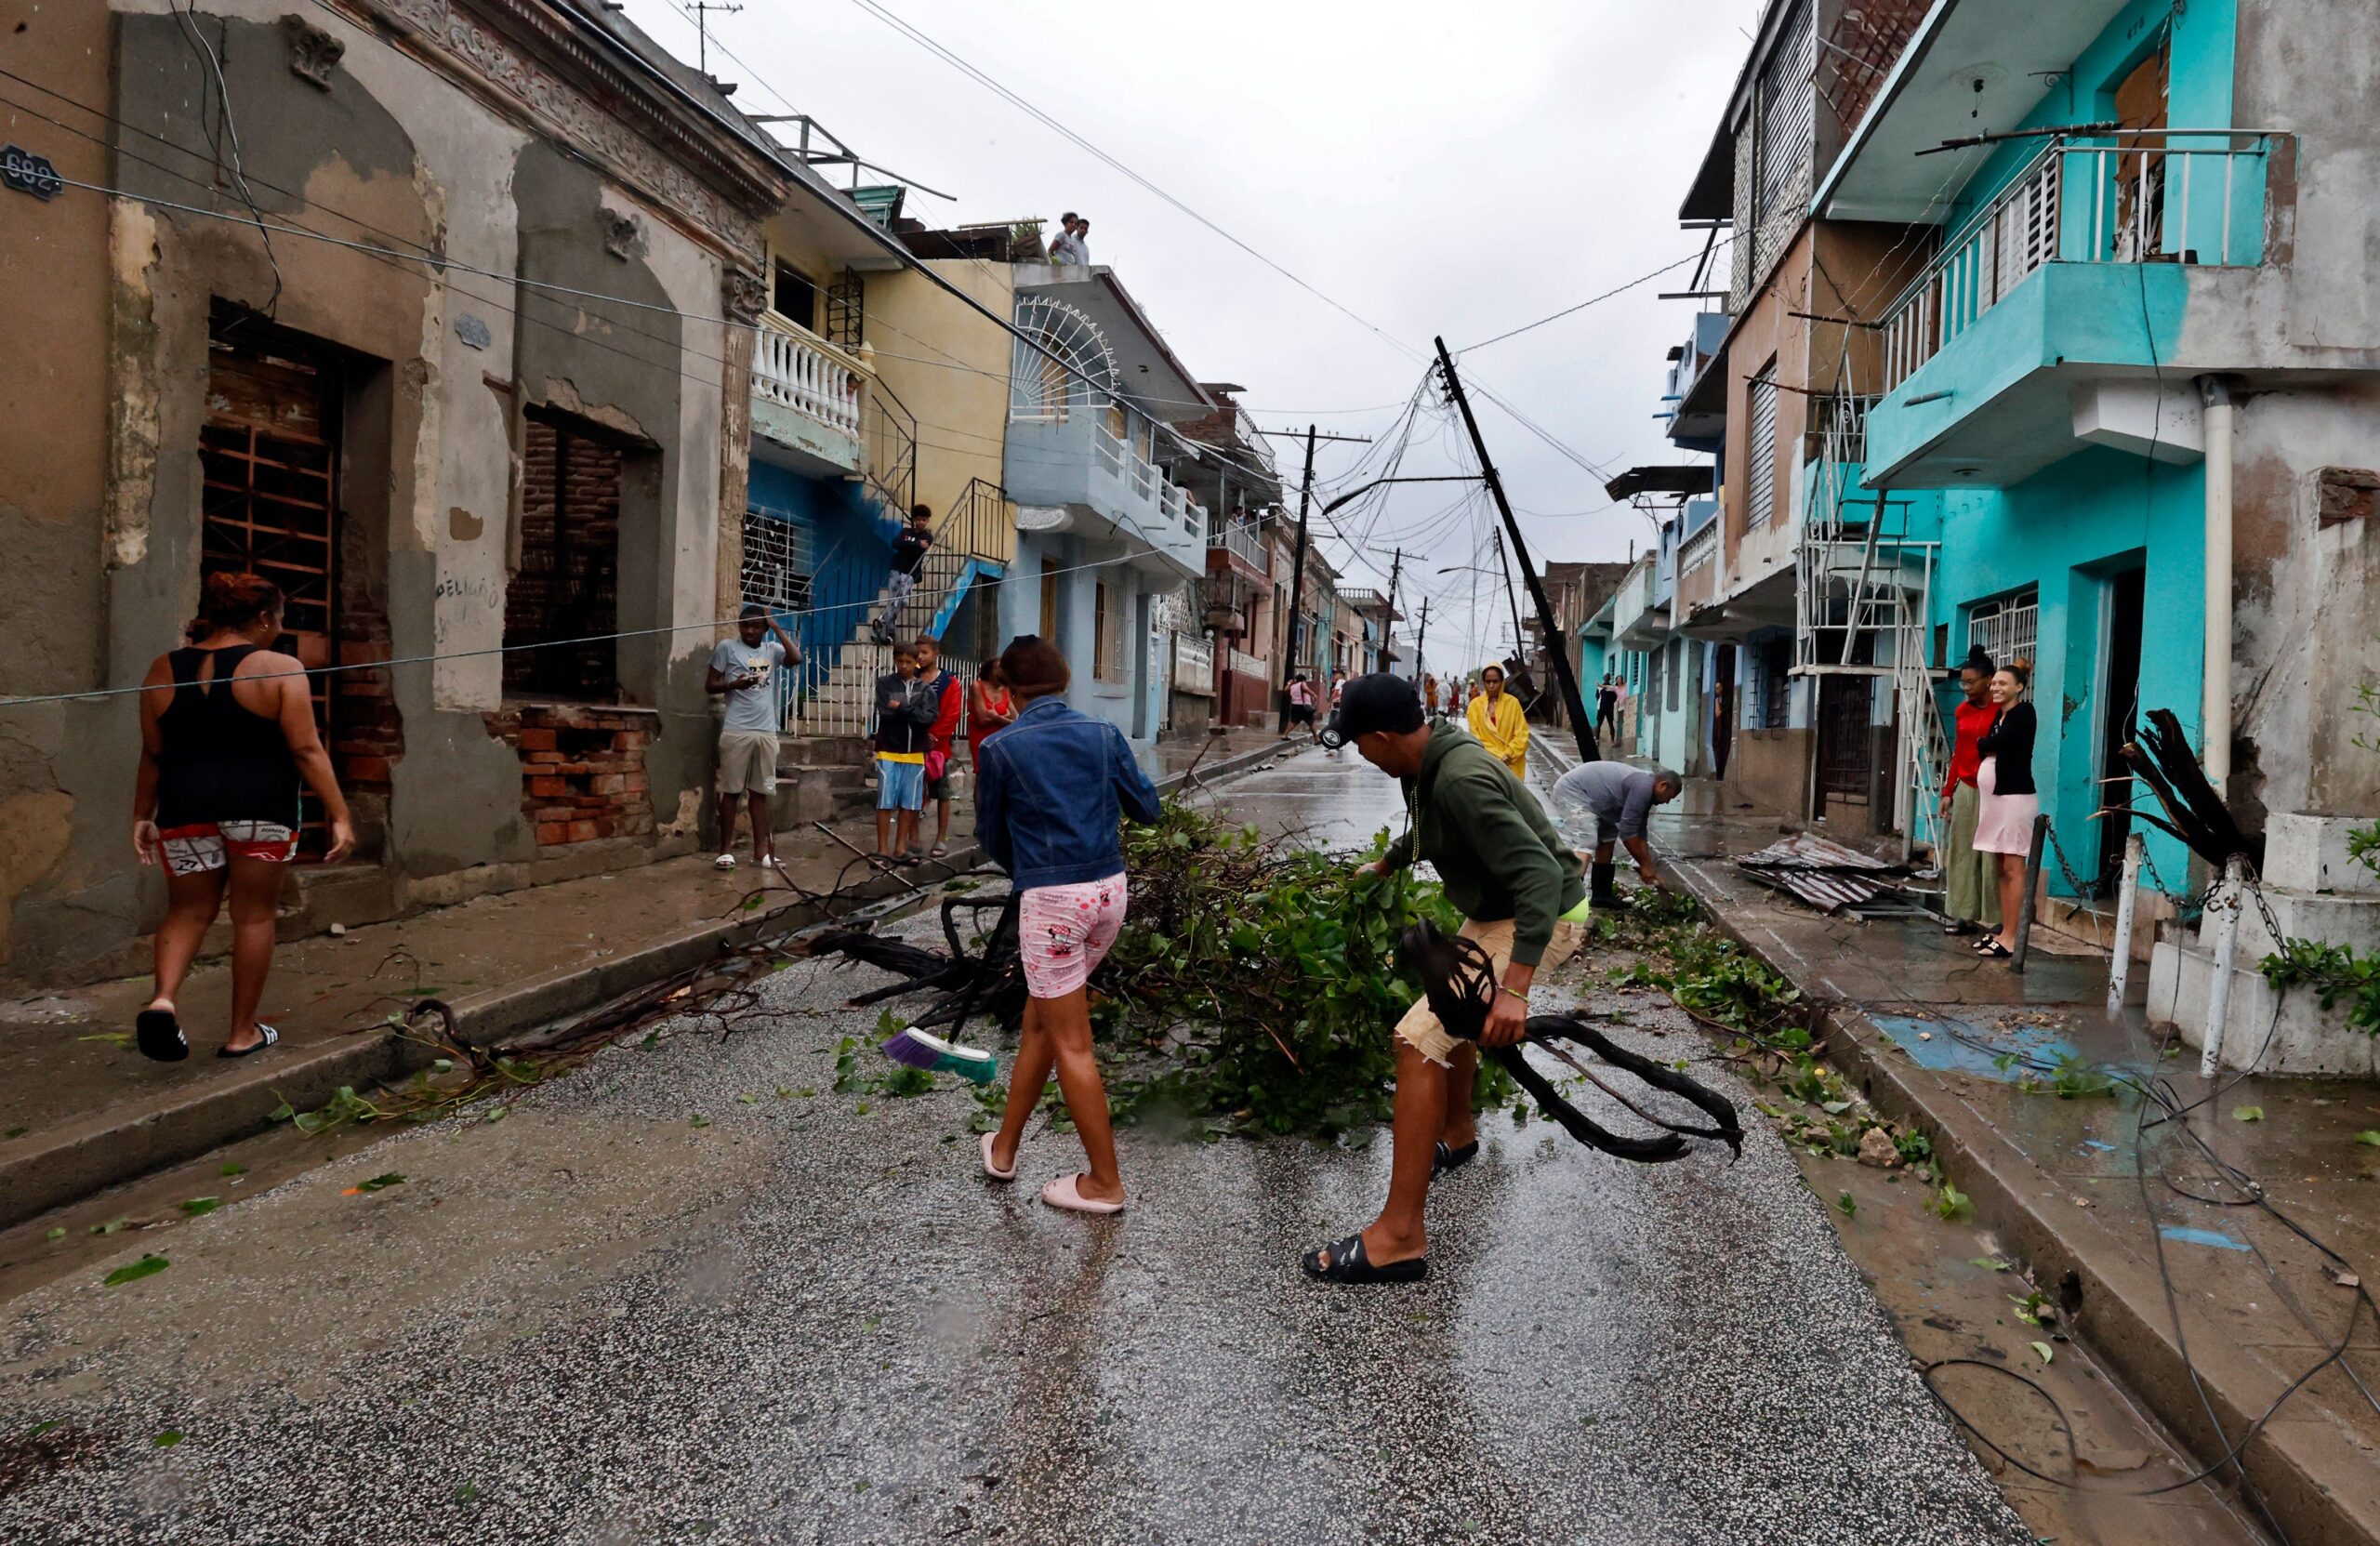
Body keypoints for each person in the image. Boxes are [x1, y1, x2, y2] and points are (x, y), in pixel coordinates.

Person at [1303, 674, 1587, 1282]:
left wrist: (1513, 990)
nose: (1360, 754)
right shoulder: (1428, 765)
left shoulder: (1460, 777)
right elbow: (1434, 828)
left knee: (1416, 1040)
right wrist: (1383, 863)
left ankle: (1400, 1235)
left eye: (1359, 744)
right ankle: (1456, 1133)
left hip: (1542, 912)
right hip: (1498, 907)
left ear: (1383, 737)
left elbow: (1539, 873)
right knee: (1450, 1005)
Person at [132, 572, 355, 1062]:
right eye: (278, 618)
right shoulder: (280, 667)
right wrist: (340, 814)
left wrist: (141, 816)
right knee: (253, 917)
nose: (279, 627)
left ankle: (163, 1001)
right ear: (261, 618)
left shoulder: (161, 669)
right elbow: (305, 748)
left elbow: (153, 754)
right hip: (260, 810)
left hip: (184, 810)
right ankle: (242, 1033)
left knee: (187, 911)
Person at [976, 634, 1161, 1214]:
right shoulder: (1104, 734)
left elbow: (989, 836)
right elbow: (1148, 810)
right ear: (1066, 680)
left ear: (1007, 689)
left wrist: (1032, 872)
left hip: (1054, 904)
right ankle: (1003, 1149)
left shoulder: (1001, 748)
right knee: (1042, 1023)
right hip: (1109, 893)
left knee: (1073, 1045)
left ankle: (1104, 1183)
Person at [706, 603, 801, 872]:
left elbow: (796, 659)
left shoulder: (772, 650)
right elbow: (709, 685)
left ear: (763, 628)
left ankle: (762, 853)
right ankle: (725, 852)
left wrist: (775, 626)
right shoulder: (727, 647)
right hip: (737, 731)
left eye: (755, 626)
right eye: (745, 625)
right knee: (732, 792)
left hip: (766, 733)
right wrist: (733, 684)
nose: (749, 630)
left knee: (761, 792)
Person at [1971, 660, 2040, 960]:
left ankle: (2013, 937)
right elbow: (1984, 745)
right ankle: (2004, 931)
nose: (1996, 688)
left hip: (2014, 800)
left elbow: (1998, 743)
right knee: (2000, 867)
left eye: (2003, 683)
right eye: (1994, 683)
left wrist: (1987, 743)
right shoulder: (1999, 716)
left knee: (2014, 867)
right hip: (1996, 802)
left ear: (2019, 687)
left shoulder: (2024, 713)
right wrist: (1987, 744)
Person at [1551, 760, 1683, 908]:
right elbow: (1627, 833)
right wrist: (1645, 866)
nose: (1667, 802)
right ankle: (1569, 900)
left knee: (1608, 839)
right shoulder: (1643, 788)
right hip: (1574, 791)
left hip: (1599, 801)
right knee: (1586, 839)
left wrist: (1647, 865)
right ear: (1663, 785)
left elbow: (1640, 832)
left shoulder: (1647, 791)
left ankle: (1601, 897)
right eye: (1669, 797)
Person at [1937, 646, 2002, 937]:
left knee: (1991, 854)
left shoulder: (2002, 711)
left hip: (1995, 788)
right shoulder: (1962, 711)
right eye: (1962, 682)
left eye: (1970, 682)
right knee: (1963, 851)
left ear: (1988, 680)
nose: (1965, 687)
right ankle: (1964, 914)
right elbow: (1959, 753)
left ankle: (1996, 919)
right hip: (1966, 788)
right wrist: (1948, 791)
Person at [872, 642, 934, 865]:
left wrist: (901, 707)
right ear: (895, 660)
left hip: (915, 751)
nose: (904, 666)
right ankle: (882, 849)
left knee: (910, 803)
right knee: (885, 801)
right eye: (900, 661)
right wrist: (911, 711)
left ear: (916, 661)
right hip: (889, 749)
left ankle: (900, 847)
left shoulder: (925, 689)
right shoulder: (885, 684)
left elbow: (928, 718)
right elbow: (885, 712)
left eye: (909, 662)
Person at [911, 635, 965, 861]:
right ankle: (912, 839)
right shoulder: (910, 679)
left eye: (924, 653)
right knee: (912, 793)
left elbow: (953, 714)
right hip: (912, 744)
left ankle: (941, 838)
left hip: (939, 747)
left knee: (943, 794)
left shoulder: (950, 682)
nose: (920, 657)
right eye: (918, 653)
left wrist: (934, 735)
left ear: (936, 654)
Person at [873, 505, 934, 644]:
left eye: (924, 520)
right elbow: (896, 543)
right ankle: (890, 633)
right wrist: (916, 543)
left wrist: (909, 544)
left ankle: (882, 621)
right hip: (896, 569)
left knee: (902, 602)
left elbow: (915, 551)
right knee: (893, 601)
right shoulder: (906, 531)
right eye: (919, 519)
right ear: (914, 519)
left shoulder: (927, 537)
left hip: (910, 573)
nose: (921, 522)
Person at [1465, 663, 1528, 778]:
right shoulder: (1475, 706)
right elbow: (1476, 738)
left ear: (1502, 682)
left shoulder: (1513, 703)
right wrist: (1499, 756)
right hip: (1487, 763)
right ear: (1483, 682)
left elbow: (1522, 735)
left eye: (1496, 681)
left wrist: (1509, 754)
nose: (1492, 685)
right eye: (1488, 682)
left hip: (1511, 764)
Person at [967, 656, 1016, 769]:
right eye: (999, 668)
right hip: (981, 737)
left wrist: (996, 717)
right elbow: (982, 719)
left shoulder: (1006, 689)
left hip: (1002, 737)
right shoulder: (978, 686)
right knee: (982, 772)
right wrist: (1004, 717)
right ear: (990, 671)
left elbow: (1015, 719)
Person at [1284, 675, 1317, 739]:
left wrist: (1289, 683)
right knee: (1312, 723)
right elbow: (1305, 689)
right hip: (1305, 707)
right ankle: (1317, 739)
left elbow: (1285, 690)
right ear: (1303, 680)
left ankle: (1285, 735)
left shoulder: (1292, 686)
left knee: (1293, 722)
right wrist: (1314, 694)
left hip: (1295, 706)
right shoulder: (1302, 683)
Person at [1594, 676, 1620, 742]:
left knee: (1599, 724)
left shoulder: (1600, 687)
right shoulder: (1612, 688)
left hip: (1602, 707)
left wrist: (1601, 702)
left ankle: (1597, 739)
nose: (1606, 678)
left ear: (1604, 679)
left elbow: (1597, 696)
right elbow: (1615, 697)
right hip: (1609, 708)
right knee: (1610, 724)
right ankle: (1612, 740)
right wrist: (1610, 703)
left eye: (1606, 677)